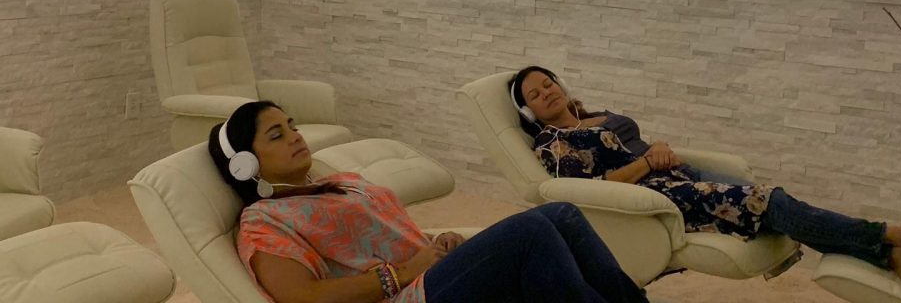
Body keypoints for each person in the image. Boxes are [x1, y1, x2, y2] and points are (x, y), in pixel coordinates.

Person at [509, 65, 901, 284]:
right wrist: (647, 163)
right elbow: (585, 191)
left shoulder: (595, 115)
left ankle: (892, 259)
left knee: (778, 207)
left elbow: (636, 143)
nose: (547, 92)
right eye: (535, 94)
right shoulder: (554, 143)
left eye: (548, 83)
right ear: (529, 111)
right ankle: (889, 236)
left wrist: (659, 147)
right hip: (656, 197)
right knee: (773, 202)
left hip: (677, 175)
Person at [208, 100, 650, 303]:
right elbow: (301, 298)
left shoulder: (336, 182)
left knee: (562, 215)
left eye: (292, 125)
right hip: (406, 294)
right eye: (276, 135)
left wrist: (438, 242)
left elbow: (391, 237)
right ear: (246, 164)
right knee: (532, 230)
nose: (295, 136)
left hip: (430, 274)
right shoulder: (263, 220)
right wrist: (402, 273)